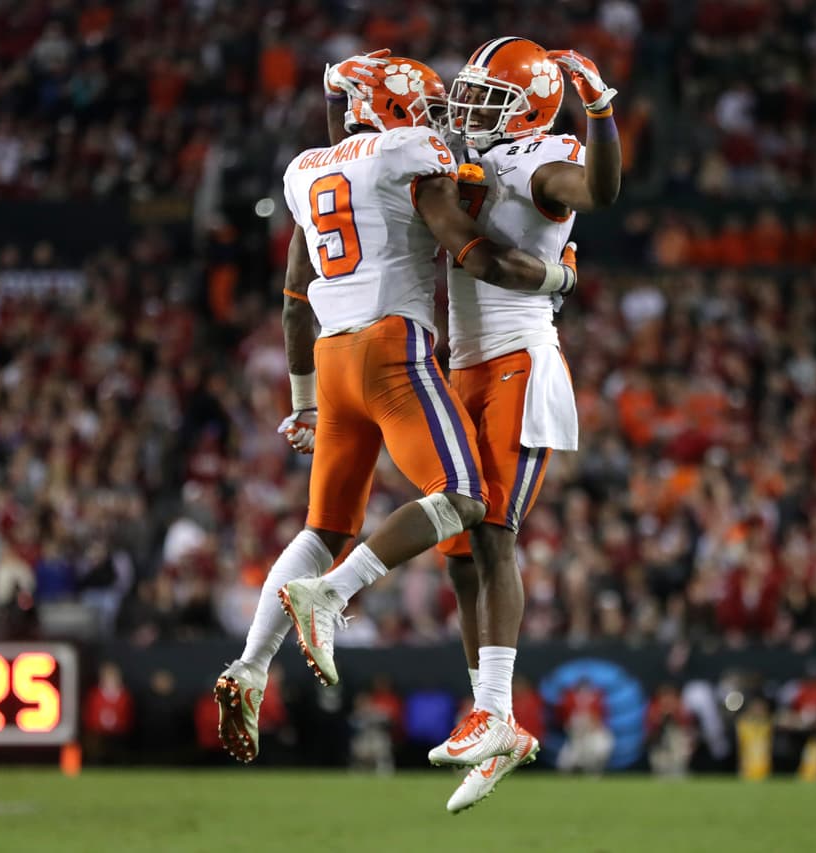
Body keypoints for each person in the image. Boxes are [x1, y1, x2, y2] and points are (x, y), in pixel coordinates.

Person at [214, 52, 579, 765]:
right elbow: (471, 245)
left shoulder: (304, 170)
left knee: (322, 525)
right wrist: (555, 271)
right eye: (423, 106)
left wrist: (301, 401)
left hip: (330, 357)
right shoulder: (407, 150)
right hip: (392, 348)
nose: (436, 118)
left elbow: (293, 297)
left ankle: (252, 663)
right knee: (468, 496)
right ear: (391, 109)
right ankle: (333, 596)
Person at [434, 37, 622, 812]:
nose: (471, 110)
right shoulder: (466, 153)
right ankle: (488, 713)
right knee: (457, 551)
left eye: (490, 99)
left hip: (518, 357)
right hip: (462, 362)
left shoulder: (546, 156)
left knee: (494, 531)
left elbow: (600, 194)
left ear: (532, 109)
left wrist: (602, 111)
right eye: (470, 94)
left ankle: (502, 711)